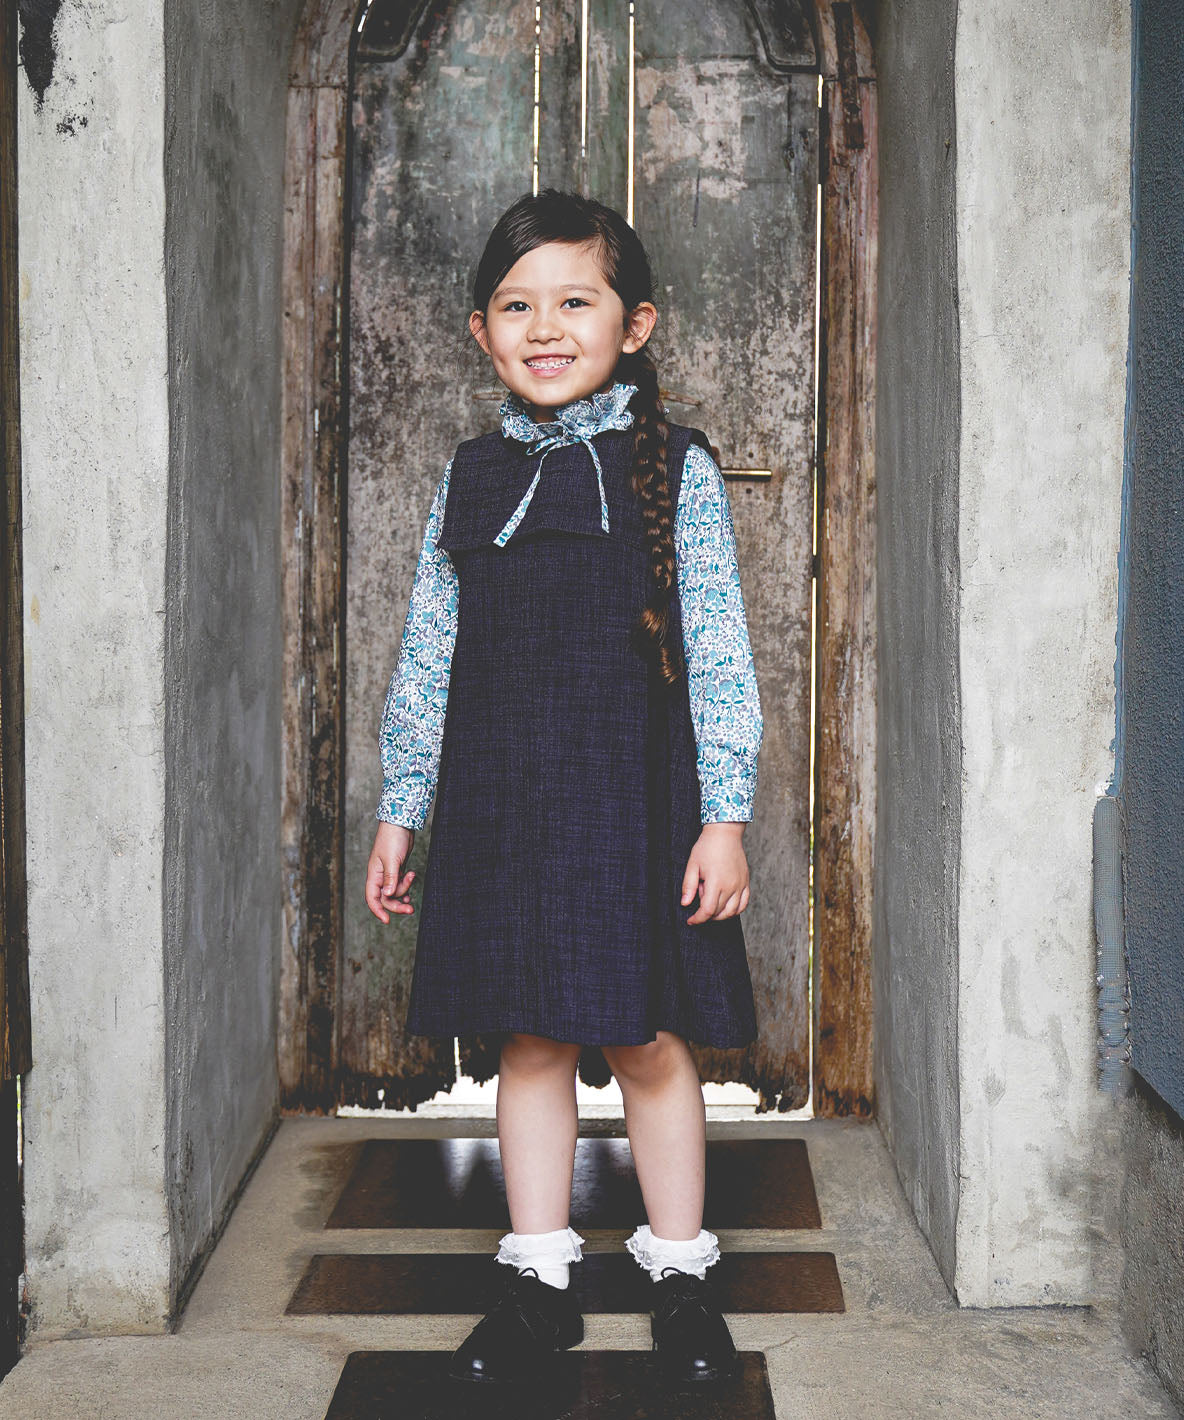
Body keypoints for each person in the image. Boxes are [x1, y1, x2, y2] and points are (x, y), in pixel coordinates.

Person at [364, 187, 764, 1386]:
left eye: (574, 302)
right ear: (480, 331)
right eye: (515, 306)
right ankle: (539, 1281)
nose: (544, 328)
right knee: (528, 1037)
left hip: (631, 808)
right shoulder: (469, 477)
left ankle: (679, 1274)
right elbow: (428, 649)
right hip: (502, 807)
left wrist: (723, 816)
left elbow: (721, 654)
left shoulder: (673, 470)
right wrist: (401, 804)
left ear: (632, 325)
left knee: (644, 1038)